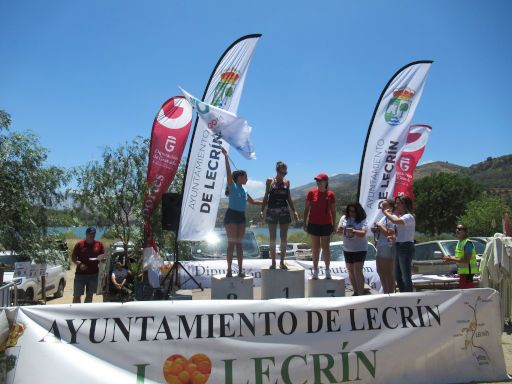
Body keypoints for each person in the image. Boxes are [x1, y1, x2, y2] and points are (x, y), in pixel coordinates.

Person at [221, 147, 262, 277]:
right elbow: (228, 172)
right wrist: (226, 157)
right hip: (231, 215)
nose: (247, 179)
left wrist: (267, 202)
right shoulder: (232, 186)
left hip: (241, 217)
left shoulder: (244, 190)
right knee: (232, 243)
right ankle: (228, 270)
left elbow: (253, 202)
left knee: (239, 244)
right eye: (246, 177)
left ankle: (239, 271)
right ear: (239, 177)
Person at [260, 161, 300, 269]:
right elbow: (265, 196)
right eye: (282, 172)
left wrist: (294, 211)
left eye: (285, 173)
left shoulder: (287, 182)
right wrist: (262, 210)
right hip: (272, 211)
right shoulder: (270, 181)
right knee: (272, 238)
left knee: (284, 238)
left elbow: (289, 198)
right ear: (277, 171)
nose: (283, 175)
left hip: (284, 211)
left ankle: (282, 262)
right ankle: (273, 262)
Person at [303, 173, 336, 279]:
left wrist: (334, 225)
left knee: (326, 248)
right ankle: (315, 270)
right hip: (313, 224)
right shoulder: (311, 193)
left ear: (326, 182)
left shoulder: (330, 194)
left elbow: (333, 210)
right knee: (315, 248)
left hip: (326, 224)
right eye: (317, 180)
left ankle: (327, 270)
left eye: (320, 180)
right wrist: (305, 223)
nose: (318, 182)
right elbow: (306, 209)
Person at [382, 195, 416, 292]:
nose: (396, 205)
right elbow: (401, 232)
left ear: (404, 204)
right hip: (399, 245)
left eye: (398, 203)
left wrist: (385, 212)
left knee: (406, 275)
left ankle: (408, 295)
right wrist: (393, 237)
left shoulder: (409, 216)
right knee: (397, 275)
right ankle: (403, 294)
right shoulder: (403, 217)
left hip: (406, 246)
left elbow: (395, 220)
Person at [337, 202, 368, 296]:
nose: (351, 213)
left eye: (354, 211)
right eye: (350, 211)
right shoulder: (344, 218)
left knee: (357, 270)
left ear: (358, 211)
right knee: (350, 270)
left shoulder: (363, 220)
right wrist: (341, 229)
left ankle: (360, 293)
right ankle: (355, 292)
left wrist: (353, 231)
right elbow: (338, 231)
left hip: (360, 248)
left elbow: (363, 233)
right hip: (347, 248)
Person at [71, 226, 106, 303]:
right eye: (90, 234)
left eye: (93, 234)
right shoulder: (79, 244)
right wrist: (79, 264)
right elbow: (73, 257)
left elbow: (103, 257)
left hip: (93, 275)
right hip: (80, 275)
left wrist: (102, 259)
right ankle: (75, 313)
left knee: (90, 296)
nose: (92, 235)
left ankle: (85, 313)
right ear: (86, 234)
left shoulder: (99, 244)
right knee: (77, 295)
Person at [372, 199, 397, 294]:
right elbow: (383, 230)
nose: (382, 208)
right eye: (382, 206)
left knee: (388, 272)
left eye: (384, 206)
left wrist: (380, 225)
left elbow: (389, 233)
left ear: (391, 207)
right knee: (380, 270)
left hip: (388, 246)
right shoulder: (384, 218)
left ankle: (390, 292)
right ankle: (386, 292)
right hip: (381, 245)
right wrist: (376, 228)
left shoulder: (393, 217)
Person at [442, 224, 478, 289]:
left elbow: (466, 260)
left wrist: (451, 259)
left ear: (465, 232)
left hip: (468, 275)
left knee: (468, 296)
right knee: (465, 296)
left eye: (460, 229)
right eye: (456, 228)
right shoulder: (459, 242)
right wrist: (450, 258)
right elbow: (459, 257)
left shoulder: (468, 243)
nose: (457, 230)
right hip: (462, 274)